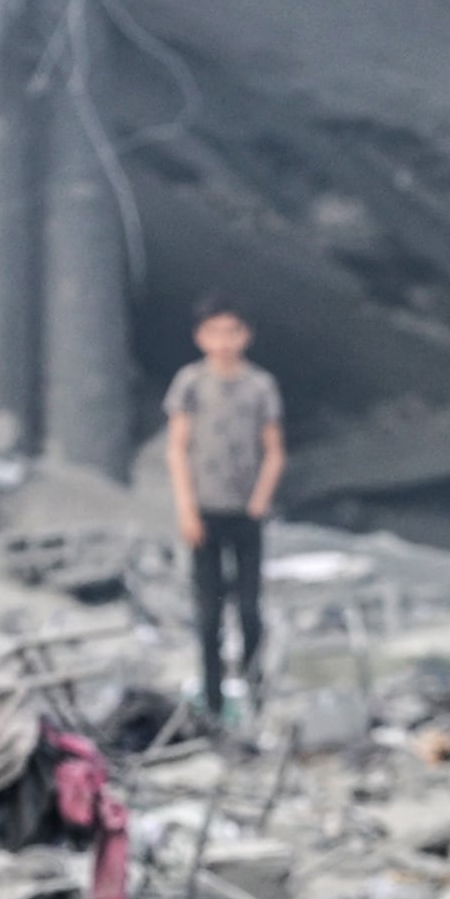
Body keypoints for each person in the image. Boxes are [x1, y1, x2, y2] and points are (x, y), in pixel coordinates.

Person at [163, 295, 286, 718]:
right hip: (205, 513)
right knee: (209, 615)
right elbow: (177, 449)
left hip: (246, 514)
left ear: (246, 335)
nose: (224, 341)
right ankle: (213, 703)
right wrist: (186, 508)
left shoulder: (260, 386)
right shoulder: (190, 384)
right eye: (214, 331)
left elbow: (274, 450)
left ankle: (255, 693)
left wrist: (260, 501)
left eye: (232, 331)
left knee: (250, 611)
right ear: (200, 337)